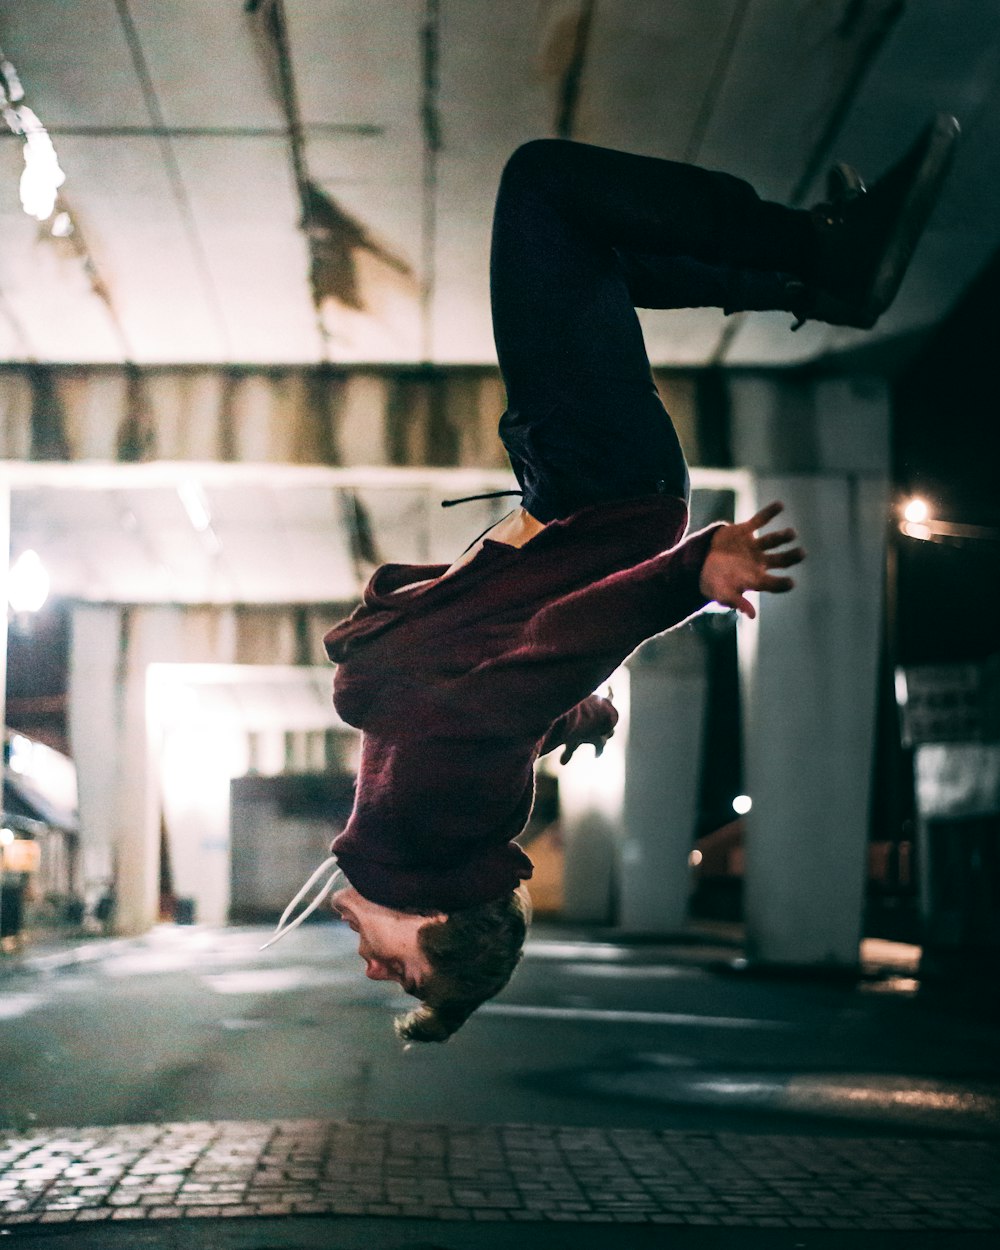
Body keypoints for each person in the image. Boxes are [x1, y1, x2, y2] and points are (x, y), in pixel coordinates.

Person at [262, 116, 959, 1042]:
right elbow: (516, 682)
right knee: (545, 188)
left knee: (589, 262)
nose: (371, 964)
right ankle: (822, 254)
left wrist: (573, 717)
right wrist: (684, 580)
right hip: (605, 496)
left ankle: (806, 277)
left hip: (578, 493)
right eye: (403, 972)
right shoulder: (422, 833)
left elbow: (484, 709)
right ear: (439, 923)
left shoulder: (433, 832)